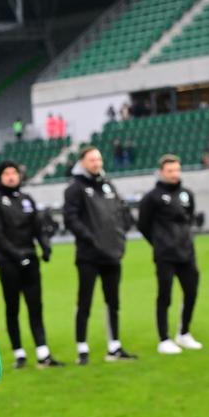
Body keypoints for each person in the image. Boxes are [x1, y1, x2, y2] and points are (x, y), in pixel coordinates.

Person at [0, 160, 62, 369]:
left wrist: (45, 247)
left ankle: (43, 352)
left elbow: (37, 227)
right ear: (0, 177)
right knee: (13, 308)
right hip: (8, 263)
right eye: (7, 173)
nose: (11, 176)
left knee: (35, 306)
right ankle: (19, 353)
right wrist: (17, 255)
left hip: (31, 261)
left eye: (14, 173)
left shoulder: (27, 199)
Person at [63, 145, 136, 364]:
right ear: (82, 162)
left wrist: (120, 236)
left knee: (113, 301)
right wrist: (91, 239)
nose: (97, 164)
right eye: (92, 160)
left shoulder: (108, 185)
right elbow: (71, 219)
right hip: (89, 256)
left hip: (112, 253)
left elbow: (122, 211)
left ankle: (114, 347)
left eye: (99, 159)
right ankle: (82, 348)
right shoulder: (75, 188)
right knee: (84, 301)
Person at [136, 155, 203, 355]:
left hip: (187, 251)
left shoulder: (187, 194)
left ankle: (184, 332)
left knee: (191, 291)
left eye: (177, 170)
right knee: (165, 295)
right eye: (170, 171)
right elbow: (143, 225)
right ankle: (164, 338)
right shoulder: (152, 197)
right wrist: (158, 242)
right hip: (165, 253)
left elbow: (189, 218)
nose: (174, 174)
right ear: (162, 172)